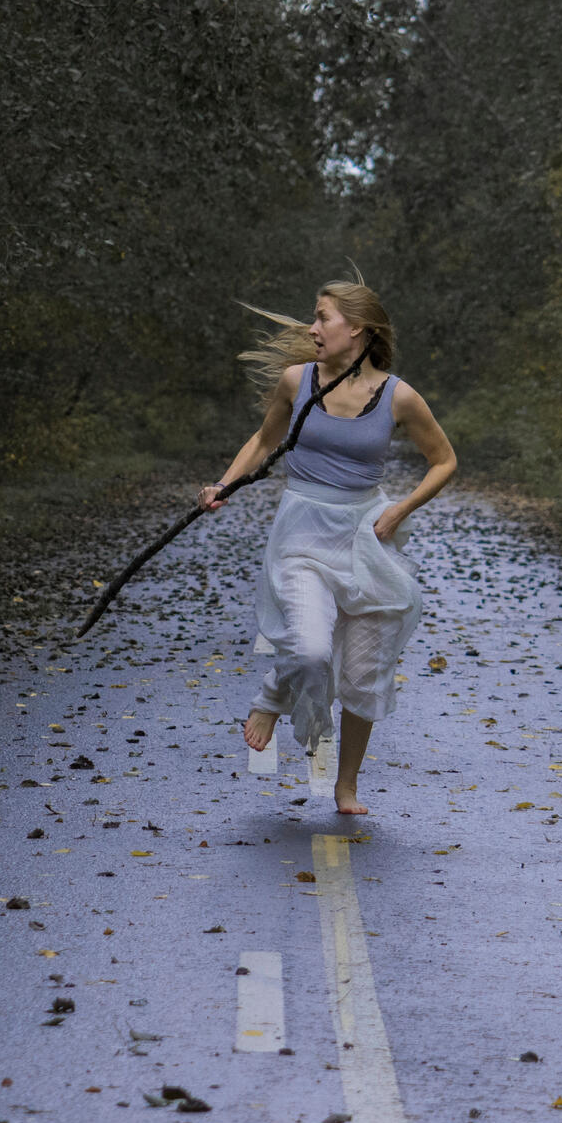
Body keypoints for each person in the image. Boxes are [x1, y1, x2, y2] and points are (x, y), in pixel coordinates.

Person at [197, 279, 457, 815]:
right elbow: (266, 440)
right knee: (312, 648)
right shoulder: (297, 382)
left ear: (357, 329)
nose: (312, 329)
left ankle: (346, 787)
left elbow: (445, 461)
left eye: (323, 318)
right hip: (301, 532)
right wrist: (225, 483)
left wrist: (400, 508)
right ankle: (273, 694)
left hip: (363, 535)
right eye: (314, 318)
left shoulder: (398, 395)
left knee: (362, 673)